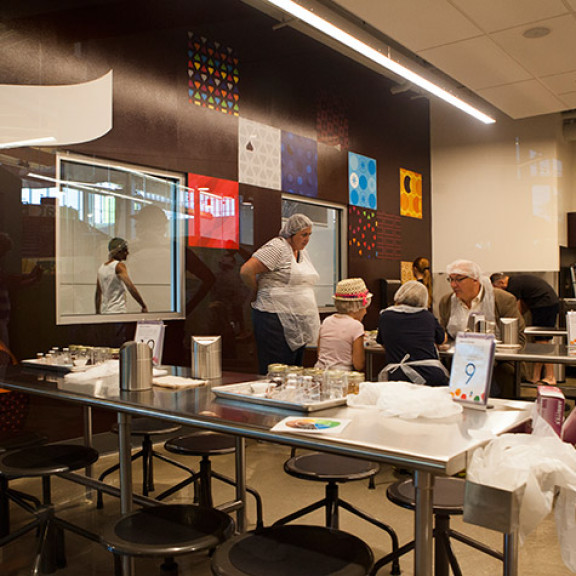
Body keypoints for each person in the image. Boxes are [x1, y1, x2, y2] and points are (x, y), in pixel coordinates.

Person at [240, 214, 320, 374]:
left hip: (297, 321)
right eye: (303, 235)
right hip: (273, 320)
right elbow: (246, 270)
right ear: (291, 233)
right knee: (278, 370)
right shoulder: (277, 247)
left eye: (309, 235)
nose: (307, 239)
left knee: (294, 372)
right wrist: (258, 289)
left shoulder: (302, 253)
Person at [439, 259, 525, 397]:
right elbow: (444, 334)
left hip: (497, 361)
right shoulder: (446, 301)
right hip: (459, 359)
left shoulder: (503, 300)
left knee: (499, 376)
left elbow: (519, 337)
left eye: (459, 279)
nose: (453, 285)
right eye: (450, 280)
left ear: (475, 279)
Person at [490, 272, 559, 384]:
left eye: (496, 288)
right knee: (540, 341)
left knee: (542, 341)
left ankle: (550, 376)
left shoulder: (513, 286)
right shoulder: (518, 281)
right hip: (547, 303)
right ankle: (536, 376)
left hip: (544, 305)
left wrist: (518, 328)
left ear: (501, 282)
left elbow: (515, 312)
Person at [376, 280, 449, 386]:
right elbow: (442, 339)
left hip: (397, 376)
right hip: (430, 376)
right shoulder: (427, 317)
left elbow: (382, 342)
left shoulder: (385, 316)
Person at [315, 278, 372, 371]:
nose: (365, 312)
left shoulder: (327, 321)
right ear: (357, 306)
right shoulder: (356, 326)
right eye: (364, 307)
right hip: (342, 376)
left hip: (320, 371)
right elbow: (359, 364)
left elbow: (320, 352)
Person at [0, 232, 43, 347]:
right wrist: (30, 277)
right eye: (3, 251)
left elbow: (12, 283)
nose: (4, 256)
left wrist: (32, 279)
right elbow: (8, 280)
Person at [95, 237, 148, 314]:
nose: (127, 253)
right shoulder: (119, 266)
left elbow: (98, 294)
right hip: (118, 312)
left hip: (105, 312)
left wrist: (97, 312)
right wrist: (143, 305)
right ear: (118, 252)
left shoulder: (101, 268)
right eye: (125, 250)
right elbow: (130, 287)